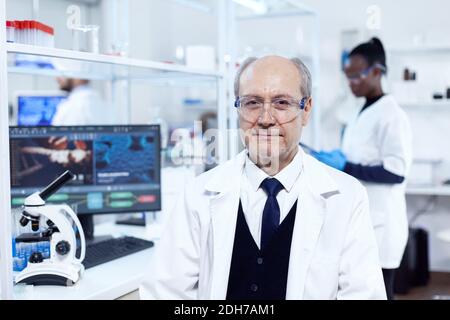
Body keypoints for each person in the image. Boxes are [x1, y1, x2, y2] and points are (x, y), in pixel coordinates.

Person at [140, 55, 386, 300]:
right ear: (237, 108)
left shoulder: (347, 197)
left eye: (281, 103)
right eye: (253, 103)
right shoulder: (198, 194)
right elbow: (164, 293)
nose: (266, 119)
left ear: (306, 109)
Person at [313, 38, 413, 300]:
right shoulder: (363, 111)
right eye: (348, 76)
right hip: (365, 220)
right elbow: (364, 157)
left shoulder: (392, 115)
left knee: (380, 293)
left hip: (382, 224)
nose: (351, 83)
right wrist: (340, 159)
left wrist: (346, 165)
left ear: (377, 72)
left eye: (357, 75)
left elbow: (396, 171)